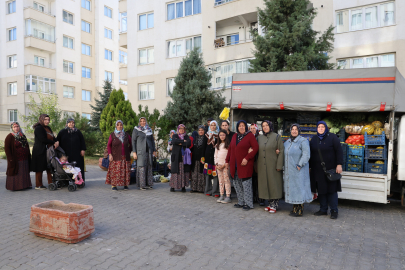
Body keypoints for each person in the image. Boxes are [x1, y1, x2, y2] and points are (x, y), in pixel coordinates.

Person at [309, 121, 343, 219]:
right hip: (317, 170)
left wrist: (339, 164)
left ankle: (334, 211)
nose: (320, 128)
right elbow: (311, 154)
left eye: (322, 127)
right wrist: (310, 167)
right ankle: (323, 209)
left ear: (326, 128)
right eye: (319, 127)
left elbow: (339, 151)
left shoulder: (332, 137)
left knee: (332, 191)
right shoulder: (314, 139)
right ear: (317, 128)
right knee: (321, 190)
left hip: (331, 169)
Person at [225, 120, 259, 211]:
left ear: (246, 127)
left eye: (243, 125)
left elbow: (255, 148)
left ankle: (249, 203)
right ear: (237, 127)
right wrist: (227, 161)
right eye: (239, 126)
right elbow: (230, 149)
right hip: (234, 165)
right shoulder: (235, 136)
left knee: (246, 184)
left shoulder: (250, 136)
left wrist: (247, 158)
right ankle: (241, 201)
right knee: (236, 184)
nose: (241, 127)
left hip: (245, 164)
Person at [284, 124, 312, 217]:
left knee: (299, 189)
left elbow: (306, 154)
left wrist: (300, 164)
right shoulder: (287, 142)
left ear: (299, 131)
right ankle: (294, 209)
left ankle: (299, 211)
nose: (294, 131)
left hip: (299, 170)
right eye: (292, 129)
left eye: (296, 129)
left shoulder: (303, 141)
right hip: (290, 171)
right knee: (293, 190)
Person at [257, 120, 284, 213]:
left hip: (273, 165)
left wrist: (279, 165)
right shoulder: (259, 138)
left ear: (270, 126)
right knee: (265, 184)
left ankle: (274, 204)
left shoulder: (277, 137)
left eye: (266, 125)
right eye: (263, 126)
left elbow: (281, 151)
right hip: (262, 166)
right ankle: (269, 203)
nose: (265, 127)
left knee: (274, 184)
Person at [31, 114, 59, 190]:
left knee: (50, 167)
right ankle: (38, 185)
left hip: (48, 150)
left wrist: (56, 141)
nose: (47, 121)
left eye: (48, 120)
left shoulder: (48, 128)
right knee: (39, 168)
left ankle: (51, 183)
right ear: (41, 119)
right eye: (45, 120)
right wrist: (53, 142)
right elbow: (43, 139)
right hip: (40, 151)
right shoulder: (39, 128)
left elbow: (53, 137)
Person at [56, 118, 86, 183]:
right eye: (69, 122)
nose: (71, 124)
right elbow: (57, 140)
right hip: (65, 154)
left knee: (78, 166)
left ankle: (79, 180)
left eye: (73, 123)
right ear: (67, 123)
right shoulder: (62, 132)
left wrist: (83, 149)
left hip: (77, 153)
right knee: (66, 167)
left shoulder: (77, 132)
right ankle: (65, 181)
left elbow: (82, 141)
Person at [5, 122, 32, 191]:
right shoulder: (10, 136)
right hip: (16, 159)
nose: (16, 128)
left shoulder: (22, 135)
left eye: (17, 126)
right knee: (17, 172)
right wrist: (10, 158)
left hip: (24, 158)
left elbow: (26, 145)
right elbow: (7, 149)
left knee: (24, 171)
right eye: (14, 127)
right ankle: (16, 187)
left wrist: (29, 154)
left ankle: (25, 185)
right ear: (12, 128)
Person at [106, 120, 132, 191]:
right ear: (116, 126)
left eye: (121, 125)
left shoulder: (126, 135)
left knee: (125, 171)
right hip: (115, 156)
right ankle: (114, 185)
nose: (120, 126)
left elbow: (131, 143)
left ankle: (125, 185)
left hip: (125, 157)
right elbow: (108, 145)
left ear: (122, 126)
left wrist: (128, 151)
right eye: (118, 125)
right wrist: (110, 154)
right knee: (115, 171)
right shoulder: (112, 135)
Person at [132, 117, 156, 190]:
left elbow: (152, 141)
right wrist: (134, 152)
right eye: (141, 121)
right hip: (140, 152)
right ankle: (142, 185)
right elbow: (133, 141)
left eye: (144, 121)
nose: (143, 122)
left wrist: (154, 150)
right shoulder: (136, 130)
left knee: (149, 167)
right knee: (141, 167)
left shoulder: (149, 130)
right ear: (139, 122)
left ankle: (149, 184)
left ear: (146, 122)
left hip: (149, 152)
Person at [170, 124, 191, 192]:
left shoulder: (186, 136)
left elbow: (189, 143)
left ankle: (183, 187)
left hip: (184, 157)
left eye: (183, 129)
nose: (181, 130)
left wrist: (179, 143)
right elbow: (174, 141)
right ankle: (173, 186)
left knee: (184, 172)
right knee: (175, 171)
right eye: (180, 128)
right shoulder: (175, 135)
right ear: (178, 129)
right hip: (176, 157)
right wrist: (182, 141)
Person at [204, 120, 220, 197]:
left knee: (215, 175)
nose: (213, 126)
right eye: (211, 125)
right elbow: (204, 147)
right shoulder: (206, 135)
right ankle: (208, 190)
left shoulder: (219, 135)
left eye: (214, 125)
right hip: (207, 158)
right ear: (209, 126)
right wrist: (202, 157)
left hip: (215, 158)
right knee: (208, 174)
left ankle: (216, 191)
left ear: (216, 126)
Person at [215, 130, 231, 203]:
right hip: (219, 166)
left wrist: (225, 164)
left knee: (226, 180)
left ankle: (228, 196)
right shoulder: (217, 145)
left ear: (226, 136)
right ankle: (221, 195)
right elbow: (215, 156)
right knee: (220, 181)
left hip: (225, 165)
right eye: (220, 135)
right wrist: (216, 164)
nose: (222, 136)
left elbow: (229, 156)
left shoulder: (228, 145)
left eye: (223, 135)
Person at [191, 126, 207, 193]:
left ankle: (201, 189)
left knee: (201, 174)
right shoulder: (196, 138)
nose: (201, 131)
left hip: (202, 158)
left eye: (202, 130)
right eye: (199, 130)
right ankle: (194, 188)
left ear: (204, 131)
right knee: (194, 173)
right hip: (195, 158)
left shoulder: (205, 138)